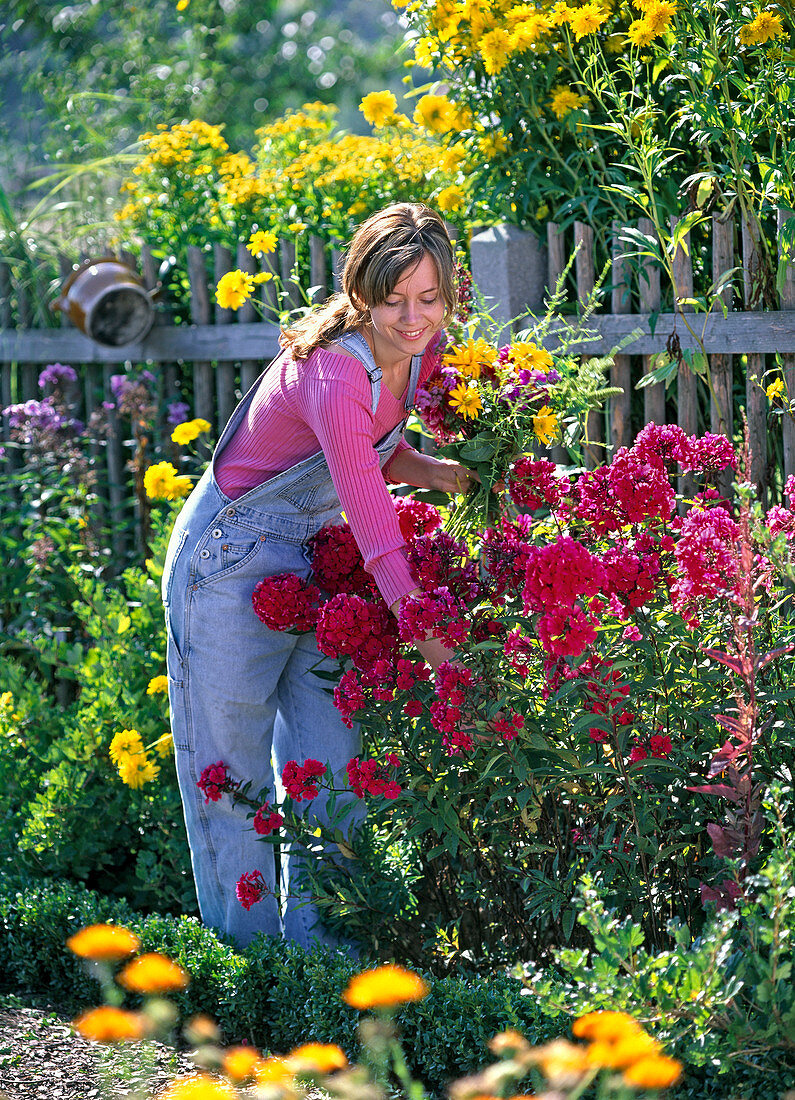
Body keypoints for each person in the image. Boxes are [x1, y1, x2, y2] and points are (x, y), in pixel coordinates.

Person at [162, 203, 474, 949]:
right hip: (230, 560)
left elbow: (370, 451)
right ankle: (248, 979)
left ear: (449, 294)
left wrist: (439, 472)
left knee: (331, 769)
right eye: (394, 299)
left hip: (311, 552)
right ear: (359, 291)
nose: (412, 317)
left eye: (429, 299)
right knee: (230, 779)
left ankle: (321, 970)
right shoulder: (334, 370)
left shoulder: (422, 353)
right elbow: (373, 524)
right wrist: (435, 648)